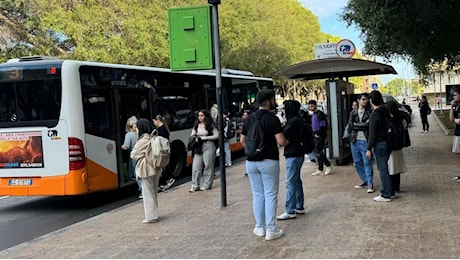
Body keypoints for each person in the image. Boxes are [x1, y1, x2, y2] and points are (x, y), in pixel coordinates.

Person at [240, 89, 288, 241]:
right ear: (268, 101)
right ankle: (271, 229)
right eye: (273, 99)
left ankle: (259, 227)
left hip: (251, 162)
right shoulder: (272, 118)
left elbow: (242, 141)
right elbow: (281, 141)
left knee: (257, 194)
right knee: (270, 195)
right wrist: (288, 141)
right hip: (269, 160)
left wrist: (253, 151)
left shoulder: (249, 118)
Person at [276, 100, 305, 220]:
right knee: (296, 181)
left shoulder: (293, 122)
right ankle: (299, 206)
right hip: (297, 153)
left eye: (284, 108)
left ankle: (290, 210)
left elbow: (282, 137)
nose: (283, 110)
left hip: (293, 154)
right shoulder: (297, 120)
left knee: (290, 182)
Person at [130, 118, 161, 223]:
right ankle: (154, 214)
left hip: (146, 168)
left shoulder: (142, 140)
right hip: (156, 167)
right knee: (154, 191)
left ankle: (151, 216)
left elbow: (133, 155)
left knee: (148, 193)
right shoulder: (153, 137)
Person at [366, 90, 392, 202]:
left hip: (379, 143)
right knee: (387, 167)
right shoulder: (385, 111)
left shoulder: (375, 114)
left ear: (371, 101)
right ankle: (390, 190)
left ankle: (385, 194)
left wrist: (368, 148)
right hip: (387, 142)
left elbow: (372, 133)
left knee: (382, 169)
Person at [347, 94, 374, 193]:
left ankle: (370, 183)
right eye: (363, 99)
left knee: (367, 162)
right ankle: (365, 180)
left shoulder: (369, 113)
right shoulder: (353, 112)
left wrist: (356, 125)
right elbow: (350, 126)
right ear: (358, 100)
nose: (365, 101)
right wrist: (361, 125)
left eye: (366, 100)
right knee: (357, 163)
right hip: (354, 140)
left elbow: (368, 126)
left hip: (364, 141)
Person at [189, 109, 218, 192]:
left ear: (206, 116)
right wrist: (195, 138)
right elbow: (192, 135)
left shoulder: (210, 125)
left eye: (201, 115)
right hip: (198, 147)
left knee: (208, 165)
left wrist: (205, 138)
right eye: (199, 115)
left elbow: (217, 135)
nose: (199, 117)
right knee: (195, 167)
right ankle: (195, 185)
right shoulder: (196, 125)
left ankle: (207, 184)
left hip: (208, 145)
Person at [385, 100, 407, 195]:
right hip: (398, 146)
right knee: (397, 168)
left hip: (392, 146)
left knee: (391, 167)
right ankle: (396, 186)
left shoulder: (390, 119)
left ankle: (392, 187)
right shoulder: (399, 118)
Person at [308, 100, 333, 176]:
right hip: (315, 135)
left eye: (311, 106)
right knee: (317, 152)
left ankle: (328, 165)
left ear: (315, 105)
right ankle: (320, 169)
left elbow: (323, 125)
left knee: (318, 152)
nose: (310, 107)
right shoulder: (313, 115)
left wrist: (319, 133)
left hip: (320, 135)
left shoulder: (320, 114)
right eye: (309, 106)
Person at [153, 115, 175, 191]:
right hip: (165, 150)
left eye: (154, 121)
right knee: (163, 166)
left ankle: (169, 179)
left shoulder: (160, 130)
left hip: (163, 150)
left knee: (163, 166)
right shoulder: (163, 128)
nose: (154, 123)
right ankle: (165, 181)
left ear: (157, 120)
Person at [121, 116, 141, 197]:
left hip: (134, 155)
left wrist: (120, 146)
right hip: (141, 154)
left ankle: (142, 189)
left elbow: (126, 147)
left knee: (137, 174)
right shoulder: (139, 133)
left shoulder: (129, 135)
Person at [450, 87, 460, 181]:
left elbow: (458, 121)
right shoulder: (456, 105)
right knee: (457, 153)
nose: (454, 97)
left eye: (456, 95)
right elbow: (451, 118)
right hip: (457, 132)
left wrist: (456, 120)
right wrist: (451, 107)